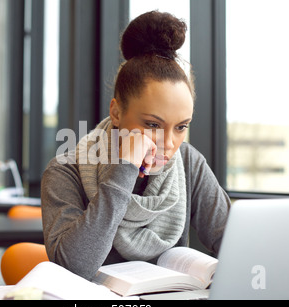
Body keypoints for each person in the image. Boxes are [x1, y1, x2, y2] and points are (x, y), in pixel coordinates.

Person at [41, 11, 231, 281]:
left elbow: (233, 243)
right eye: (153, 125)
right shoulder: (65, 171)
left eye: (181, 127)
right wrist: (125, 168)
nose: (168, 144)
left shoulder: (189, 162)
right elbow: (74, 268)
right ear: (116, 112)